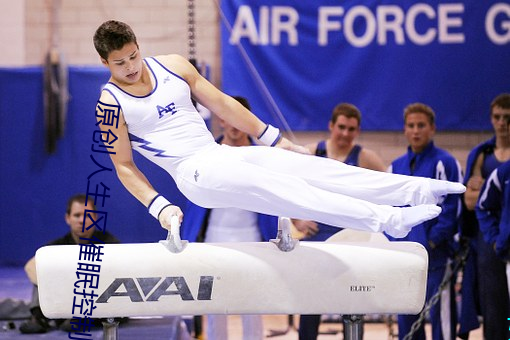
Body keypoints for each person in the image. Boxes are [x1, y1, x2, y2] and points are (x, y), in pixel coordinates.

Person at [92, 20, 464, 247]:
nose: (130, 67)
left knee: (311, 168)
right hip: (193, 173)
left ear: (139, 46)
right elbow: (124, 166)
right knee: (287, 190)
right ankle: (387, 220)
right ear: (105, 63)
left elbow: (222, 103)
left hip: (219, 155)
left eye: (133, 56)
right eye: (119, 63)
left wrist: (273, 138)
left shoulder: (172, 65)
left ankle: (413, 189)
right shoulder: (110, 104)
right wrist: (160, 207)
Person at [181, 96, 278, 340]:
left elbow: (275, 199)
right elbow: (192, 198)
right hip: (214, 238)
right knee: (215, 306)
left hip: (254, 239)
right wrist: (187, 239)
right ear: (221, 120)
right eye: (229, 119)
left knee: (253, 306)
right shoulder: (204, 154)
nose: (235, 126)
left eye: (239, 120)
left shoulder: (262, 159)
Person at [295, 102, 386, 340]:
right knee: (310, 302)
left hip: (351, 239)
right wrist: (297, 219)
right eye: (341, 127)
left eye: (351, 129)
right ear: (331, 126)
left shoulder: (365, 158)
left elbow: (389, 192)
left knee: (353, 300)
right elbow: (285, 190)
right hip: (317, 235)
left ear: (357, 131)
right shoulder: (311, 152)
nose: (345, 134)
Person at [387, 103, 462, 340]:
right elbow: (388, 209)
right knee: (407, 321)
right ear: (405, 130)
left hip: (436, 257)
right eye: (411, 126)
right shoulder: (395, 167)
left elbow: (452, 209)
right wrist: (395, 243)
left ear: (432, 129)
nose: (416, 131)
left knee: (442, 320)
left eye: (421, 125)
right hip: (405, 259)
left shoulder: (445, 163)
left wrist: (432, 241)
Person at [19, 194, 120, 334]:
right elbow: (30, 266)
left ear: (95, 218)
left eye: (88, 215)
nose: (82, 220)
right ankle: (38, 318)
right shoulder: (58, 246)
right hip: (66, 298)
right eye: (77, 215)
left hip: (97, 302)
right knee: (42, 269)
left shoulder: (109, 243)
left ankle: (80, 317)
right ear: (68, 218)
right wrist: (57, 282)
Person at [460, 93, 510, 340]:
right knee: (493, 304)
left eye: (507, 118)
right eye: (497, 117)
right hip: (489, 238)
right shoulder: (482, 154)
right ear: (491, 119)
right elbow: (469, 202)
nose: (502, 123)